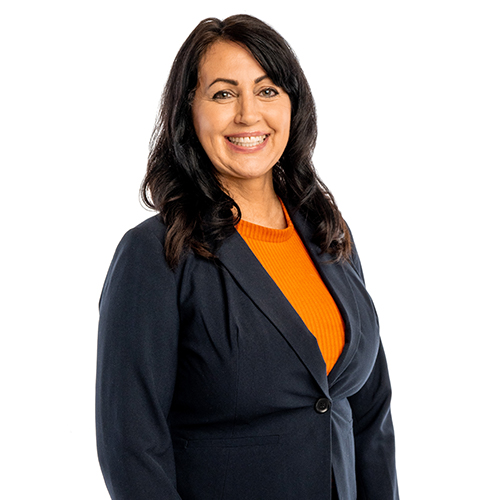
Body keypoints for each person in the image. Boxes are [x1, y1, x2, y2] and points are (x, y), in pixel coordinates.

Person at [96, 14, 399, 500]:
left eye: (267, 90)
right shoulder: (154, 253)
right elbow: (132, 447)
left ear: (293, 105)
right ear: (188, 112)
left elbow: (371, 417)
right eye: (222, 94)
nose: (248, 115)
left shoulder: (329, 235)